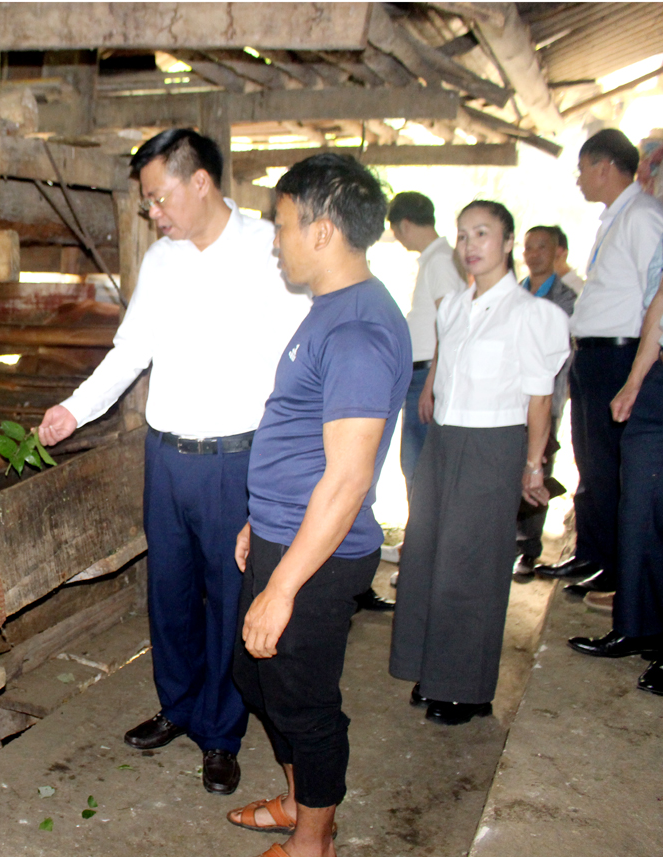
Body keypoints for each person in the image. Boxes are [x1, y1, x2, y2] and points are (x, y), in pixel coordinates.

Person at [37, 128, 310, 795]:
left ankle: (220, 732)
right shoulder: (162, 261)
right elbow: (131, 350)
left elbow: (295, 365)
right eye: (148, 203)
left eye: (158, 198)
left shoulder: (267, 253)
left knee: (228, 597)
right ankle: (178, 705)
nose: (153, 213)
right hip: (168, 455)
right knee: (171, 593)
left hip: (236, 457)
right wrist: (77, 408)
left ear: (201, 183)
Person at [226, 153, 410, 857]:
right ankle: (303, 800)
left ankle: (315, 840)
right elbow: (305, 441)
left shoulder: (358, 330)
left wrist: (283, 586)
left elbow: (347, 479)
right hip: (284, 530)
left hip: (319, 552)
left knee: (303, 699)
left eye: (281, 224)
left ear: (323, 228)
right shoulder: (333, 311)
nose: (277, 240)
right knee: (255, 674)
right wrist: (262, 514)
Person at [390, 201, 570, 726]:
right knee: (427, 557)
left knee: (470, 566)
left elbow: (540, 399)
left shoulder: (535, 314)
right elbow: (446, 363)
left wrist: (533, 465)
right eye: (464, 234)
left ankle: (468, 689)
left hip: (495, 442)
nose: (471, 245)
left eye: (483, 233)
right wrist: (431, 394)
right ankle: (432, 669)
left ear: (508, 242)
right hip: (446, 439)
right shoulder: (454, 306)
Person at [537, 129, 663, 597]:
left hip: (621, 354)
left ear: (604, 167)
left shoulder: (644, 216)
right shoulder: (618, 216)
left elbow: (656, 296)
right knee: (591, 462)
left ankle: (613, 566)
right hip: (594, 355)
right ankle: (592, 554)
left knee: (612, 465)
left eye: (583, 169)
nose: (579, 181)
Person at [568, 238, 663, 669]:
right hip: (657, 374)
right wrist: (636, 379)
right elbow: (659, 306)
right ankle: (635, 627)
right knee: (639, 504)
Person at [388, 192, 467, 503]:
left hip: (428, 376)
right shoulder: (437, 259)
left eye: (394, 230)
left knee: (418, 462)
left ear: (405, 225)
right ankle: (421, 540)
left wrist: (431, 386)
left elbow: (450, 327)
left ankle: (424, 543)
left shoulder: (440, 261)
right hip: (422, 374)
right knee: (415, 462)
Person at [514, 226, 579, 574]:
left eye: (542, 247)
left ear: (557, 252)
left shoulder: (568, 297)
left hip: (545, 398)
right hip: (509, 400)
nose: (534, 253)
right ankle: (504, 542)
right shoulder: (513, 292)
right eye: (529, 247)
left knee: (538, 468)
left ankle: (528, 550)